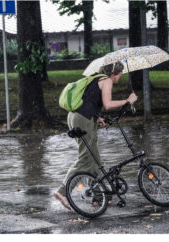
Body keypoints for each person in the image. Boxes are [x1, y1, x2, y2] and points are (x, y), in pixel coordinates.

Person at [54, 61, 138, 210]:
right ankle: (63, 191)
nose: (119, 78)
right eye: (120, 75)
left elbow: (88, 99)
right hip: (82, 119)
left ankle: (99, 197)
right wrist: (128, 100)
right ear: (114, 73)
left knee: (94, 159)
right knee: (86, 157)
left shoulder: (94, 78)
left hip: (76, 116)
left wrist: (96, 117)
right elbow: (108, 104)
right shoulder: (106, 81)